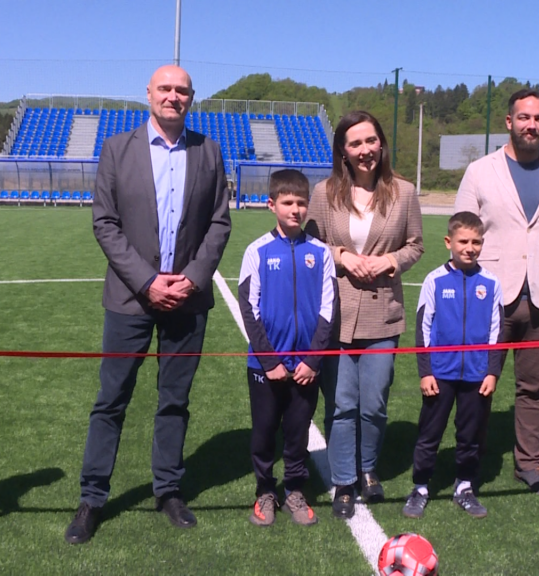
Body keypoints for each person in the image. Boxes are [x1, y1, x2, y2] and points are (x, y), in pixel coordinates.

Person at [66, 65, 232, 543]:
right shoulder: (117, 149)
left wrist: (192, 279)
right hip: (130, 298)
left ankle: (168, 490)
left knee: (175, 400)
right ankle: (92, 498)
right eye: (165, 88)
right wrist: (146, 282)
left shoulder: (209, 150)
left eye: (182, 90)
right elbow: (105, 223)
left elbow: (219, 223)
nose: (173, 96)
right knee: (111, 400)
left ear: (191, 98)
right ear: (149, 93)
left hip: (187, 300)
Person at [454, 88, 539, 498]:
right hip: (489, 300)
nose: (532, 125)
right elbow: (461, 234)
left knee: (534, 388)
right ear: (509, 122)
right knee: (477, 384)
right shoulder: (479, 171)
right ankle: (469, 466)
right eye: (524, 118)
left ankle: (529, 464)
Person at [306, 110, 424, 519]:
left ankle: (368, 468)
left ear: (381, 144)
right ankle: (343, 480)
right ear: (343, 150)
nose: (364, 150)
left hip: (382, 315)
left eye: (370, 141)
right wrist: (341, 256)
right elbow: (310, 244)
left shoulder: (403, 192)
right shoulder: (324, 193)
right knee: (341, 404)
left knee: (373, 403)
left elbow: (415, 245)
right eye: (355, 143)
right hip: (335, 314)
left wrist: (389, 260)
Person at [237, 169, 337, 527]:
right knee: (264, 431)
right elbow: (248, 307)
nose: (296, 210)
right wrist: (269, 361)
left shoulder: (320, 253)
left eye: (301, 203)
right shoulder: (257, 251)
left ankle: (294, 489)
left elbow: (328, 308)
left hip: (306, 367)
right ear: (272, 205)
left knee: (298, 433)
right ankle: (265, 491)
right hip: (266, 367)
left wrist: (313, 360)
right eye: (288, 202)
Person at [403, 212, 502, 520]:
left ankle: (465, 486)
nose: (470, 248)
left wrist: (492, 371)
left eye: (476, 242)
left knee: (470, 434)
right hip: (440, 374)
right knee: (430, 433)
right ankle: (420, 487)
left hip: (476, 374)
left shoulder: (491, 283)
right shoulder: (434, 280)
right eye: (463, 241)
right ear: (449, 242)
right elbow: (423, 329)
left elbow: (497, 331)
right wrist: (426, 372)